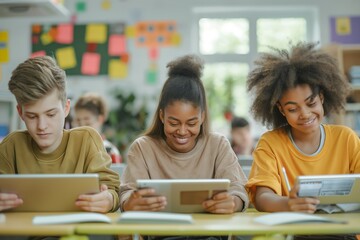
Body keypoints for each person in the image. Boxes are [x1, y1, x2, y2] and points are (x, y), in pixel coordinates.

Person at [120, 54, 249, 240]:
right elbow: (126, 196)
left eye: (191, 123)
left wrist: (234, 202)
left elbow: (239, 190)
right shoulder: (143, 148)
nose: (182, 131)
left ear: (202, 117)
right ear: (162, 116)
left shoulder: (218, 145)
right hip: (161, 236)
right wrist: (130, 203)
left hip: (209, 235)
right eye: (174, 122)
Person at [245, 42, 360, 240]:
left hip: (343, 233)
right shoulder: (271, 143)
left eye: (311, 103)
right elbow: (263, 197)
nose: (305, 114)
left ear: (322, 98)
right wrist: (288, 204)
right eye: (292, 109)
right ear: (281, 110)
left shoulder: (346, 138)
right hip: (294, 234)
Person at [0, 56, 120, 214]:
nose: (42, 126)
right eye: (32, 116)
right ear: (20, 113)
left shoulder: (86, 139)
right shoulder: (11, 145)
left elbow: (112, 189)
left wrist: (108, 199)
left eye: (50, 114)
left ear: (66, 108)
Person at [74, 92, 122, 163]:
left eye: (87, 123)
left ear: (100, 119)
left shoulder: (110, 151)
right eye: (78, 122)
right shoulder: (72, 148)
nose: (82, 127)